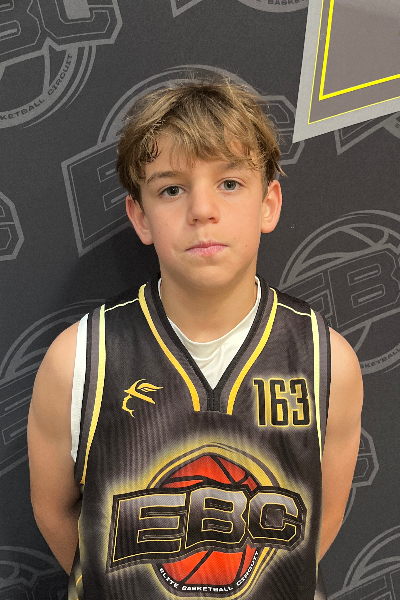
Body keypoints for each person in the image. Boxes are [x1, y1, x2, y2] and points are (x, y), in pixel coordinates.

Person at [27, 79, 363, 600]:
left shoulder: (327, 362)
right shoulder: (78, 361)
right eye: (171, 189)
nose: (202, 209)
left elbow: (321, 523)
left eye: (229, 182)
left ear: (268, 203)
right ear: (141, 217)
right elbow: (55, 514)